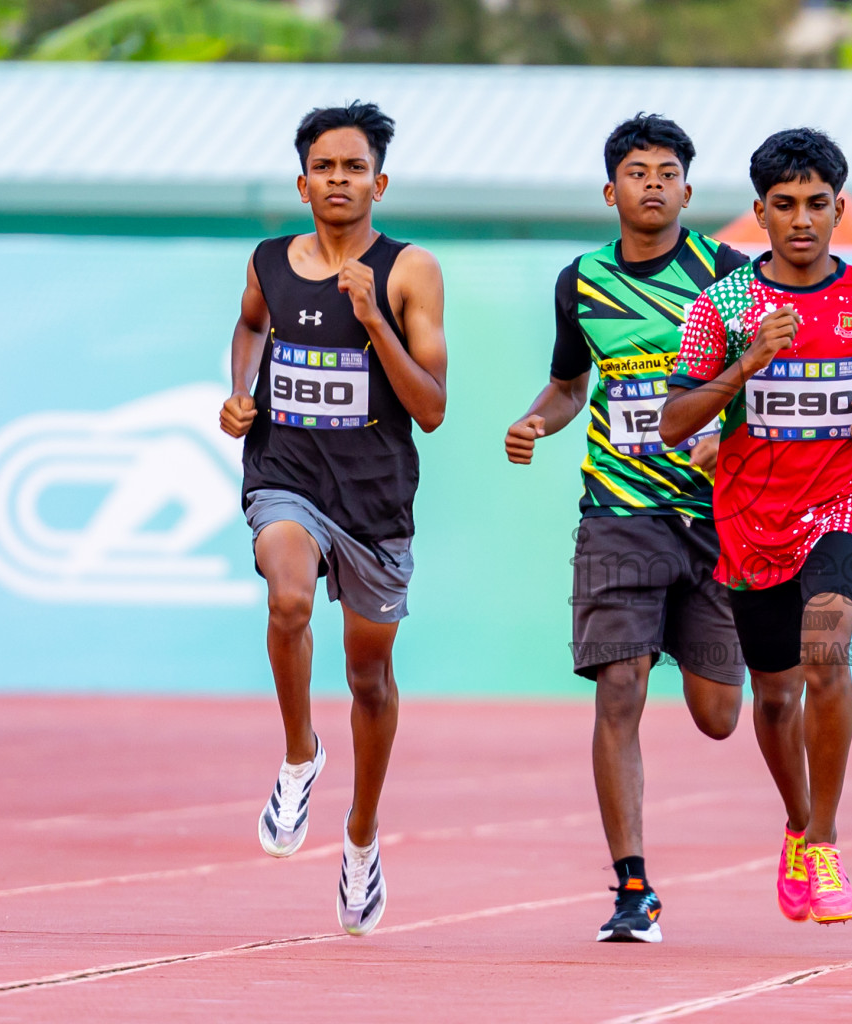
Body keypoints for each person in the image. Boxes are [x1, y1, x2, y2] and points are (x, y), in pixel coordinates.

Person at [660, 128, 852, 924]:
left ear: (839, 208)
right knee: (775, 695)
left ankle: (824, 842)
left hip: (845, 501)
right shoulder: (724, 305)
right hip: (751, 519)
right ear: (760, 212)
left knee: (827, 644)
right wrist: (746, 365)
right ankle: (794, 824)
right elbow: (676, 421)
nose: (802, 219)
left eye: (818, 204)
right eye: (784, 206)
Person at [503, 114, 750, 943]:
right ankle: (632, 888)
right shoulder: (582, 281)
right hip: (617, 513)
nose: (652, 182)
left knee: (719, 715)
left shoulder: (729, 273)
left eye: (668, 170)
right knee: (619, 690)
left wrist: (729, 433)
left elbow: (768, 374)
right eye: (636, 171)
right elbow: (570, 386)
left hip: (714, 518)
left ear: (687, 188)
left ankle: (683, 631)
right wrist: (538, 421)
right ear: (611, 191)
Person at [218, 102, 448, 936]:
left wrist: (375, 321)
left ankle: (360, 836)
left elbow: (432, 408)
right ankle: (297, 754)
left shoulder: (411, 270)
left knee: (368, 680)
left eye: (355, 167)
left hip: (376, 500)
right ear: (304, 179)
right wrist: (243, 391)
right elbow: (250, 326)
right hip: (286, 475)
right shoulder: (270, 260)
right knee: (285, 595)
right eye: (325, 166)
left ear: (379, 182)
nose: (339, 180)